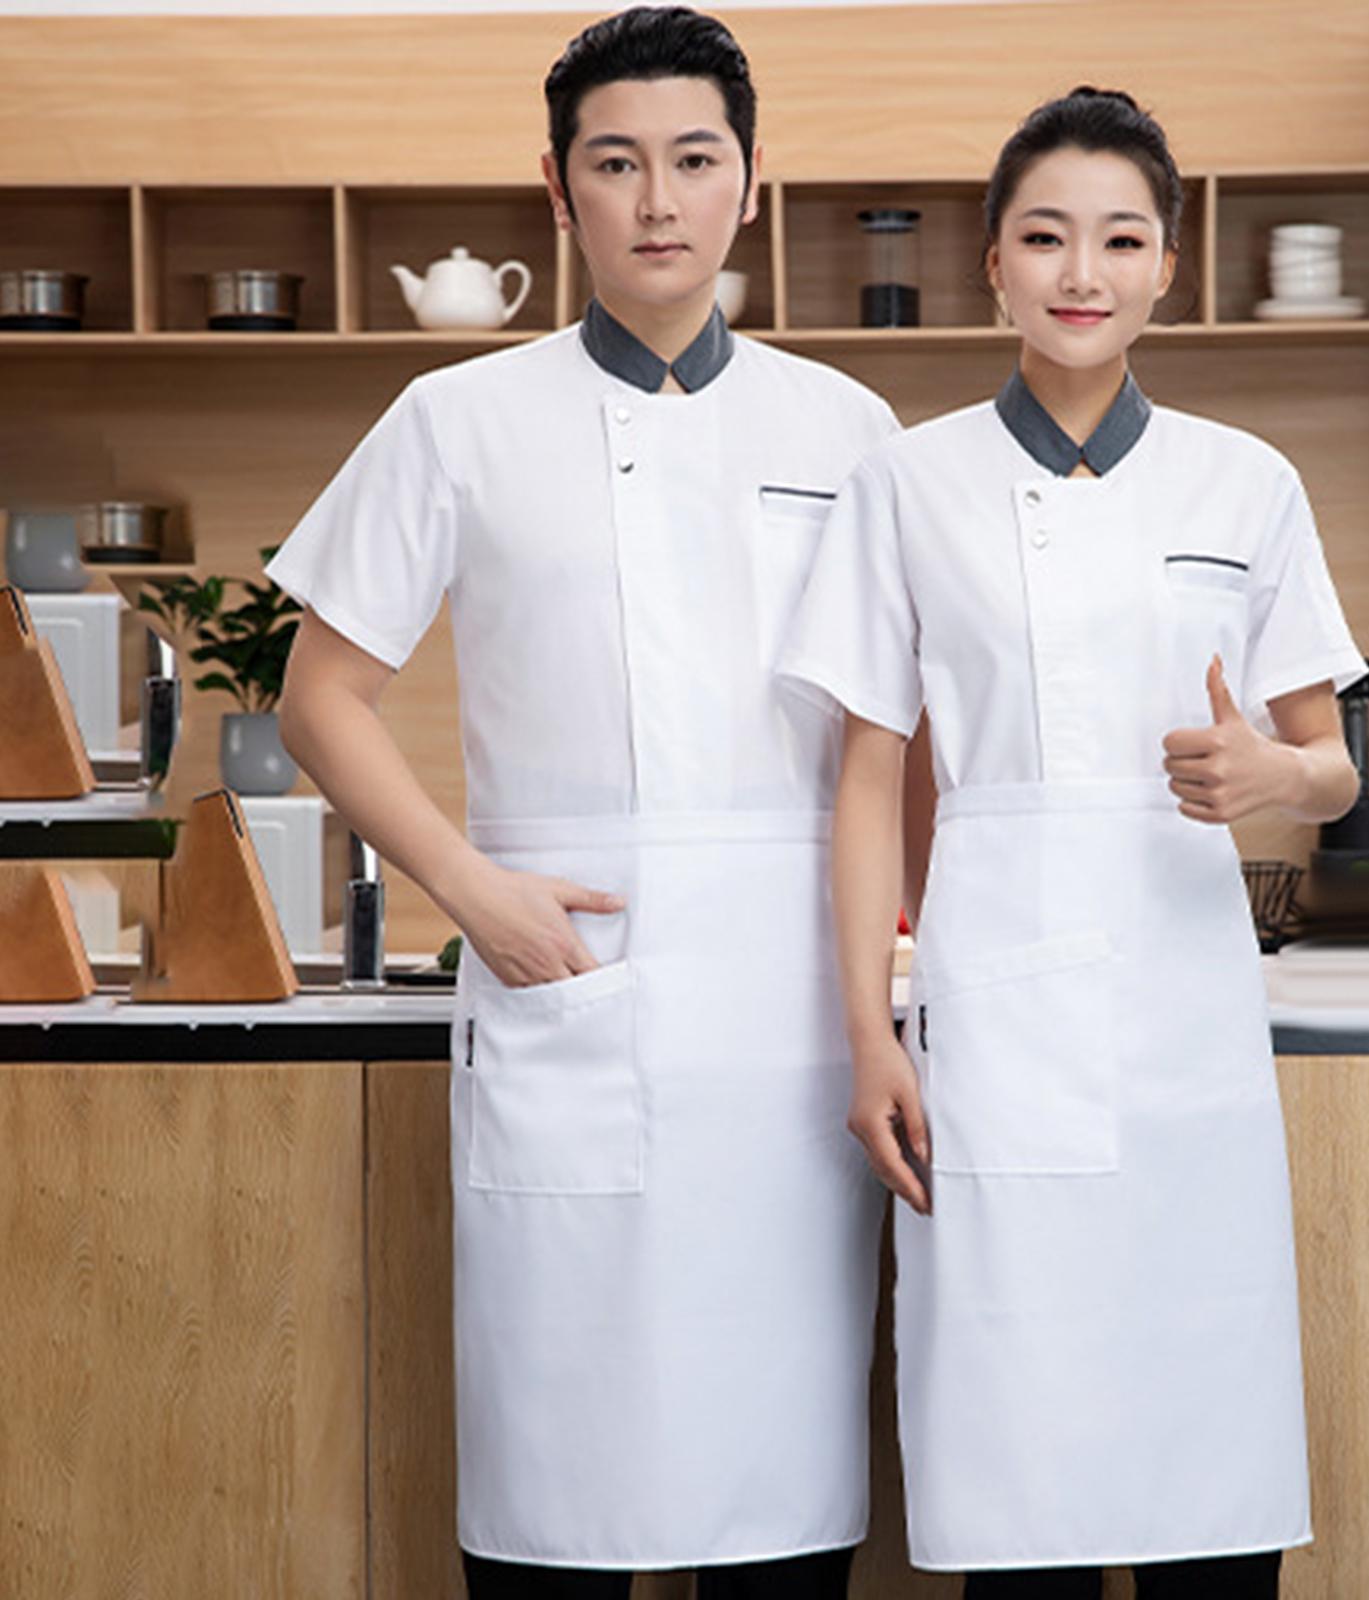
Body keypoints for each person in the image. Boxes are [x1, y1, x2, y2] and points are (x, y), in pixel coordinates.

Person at [265, 9, 899, 1595]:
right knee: (558, 1509)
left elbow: (900, 740)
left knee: (782, 1510)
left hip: (789, 1021)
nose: (658, 200)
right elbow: (317, 699)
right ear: (557, 191)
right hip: (566, 975)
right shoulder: (455, 419)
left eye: (694, 160)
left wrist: (909, 949)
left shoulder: (849, 431)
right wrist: (471, 889)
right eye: (616, 164)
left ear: (751, 181)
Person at [779, 88, 1366, 1600]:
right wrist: (869, 1037)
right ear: (994, 264)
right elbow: (865, 781)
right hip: (995, 1027)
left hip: (1187, 1030)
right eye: (1045, 237)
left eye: (1119, 238)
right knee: (1021, 1496)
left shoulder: (1247, 482)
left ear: (1170, 264)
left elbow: (1332, 770)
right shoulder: (910, 482)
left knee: (1207, 1485)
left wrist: (1267, 773)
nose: (1081, 272)